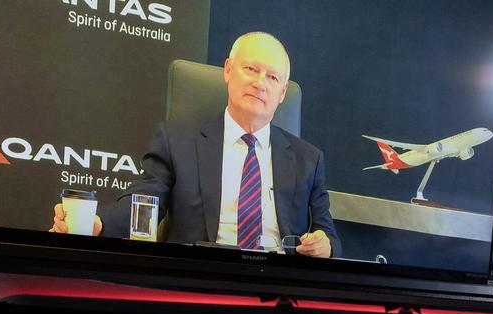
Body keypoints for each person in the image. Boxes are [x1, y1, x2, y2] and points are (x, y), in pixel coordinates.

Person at [51, 32, 338, 256]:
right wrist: (98, 223)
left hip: (277, 286)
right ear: (228, 70)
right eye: (251, 69)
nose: (260, 83)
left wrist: (324, 246)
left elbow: (329, 236)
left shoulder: (308, 159)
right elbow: (145, 204)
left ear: (282, 92)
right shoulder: (178, 141)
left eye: (272, 77)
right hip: (201, 276)